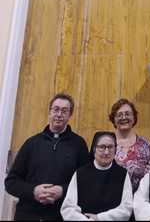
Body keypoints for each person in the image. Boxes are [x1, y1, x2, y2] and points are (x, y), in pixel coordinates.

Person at [5, 93, 89, 221]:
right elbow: (11, 182)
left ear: (70, 115)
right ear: (49, 112)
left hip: (61, 216)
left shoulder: (79, 145)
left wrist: (62, 191)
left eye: (64, 111)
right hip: (27, 215)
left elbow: (85, 183)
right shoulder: (31, 143)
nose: (59, 114)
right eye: (55, 109)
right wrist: (33, 191)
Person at [61, 131, 133, 221]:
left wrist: (100, 218)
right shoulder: (80, 173)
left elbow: (126, 208)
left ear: (115, 149)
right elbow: (68, 208)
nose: (106, 152)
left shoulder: (122, 174)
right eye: (102, 147)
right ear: (94, 148)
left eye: (110, 147)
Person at [109, 98, 150, 192]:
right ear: (113, 120)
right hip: (111, 200)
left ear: (134, 118)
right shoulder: (106, 144)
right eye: (119, 115)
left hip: (139, 201)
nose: (124, 118)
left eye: (127, 114)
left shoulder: (146, 145)